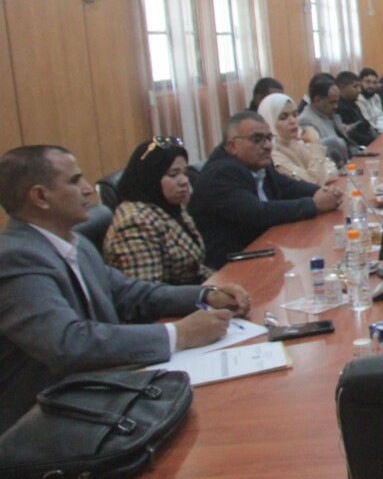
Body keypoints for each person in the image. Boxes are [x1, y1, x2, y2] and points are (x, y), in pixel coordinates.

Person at [0, 145, 250, 433]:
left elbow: (132, 294)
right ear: (40, 197)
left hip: (99, 396)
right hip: (45, 423)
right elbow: (67, 343)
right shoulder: (15, 257)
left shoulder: (73, 243)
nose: (88, 189)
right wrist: (179, 334)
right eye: (75, 180)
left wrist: (205, 295)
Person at [190, 111, 342, 269]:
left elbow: (289, 186)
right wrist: (314, 204)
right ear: (232, 146)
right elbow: (257, 213)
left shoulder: (257, 163)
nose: (267, 146)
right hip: (231, 265)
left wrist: (324, 192)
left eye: (269, 138)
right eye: (257, 139)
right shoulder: (221, 174)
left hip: (264, 250)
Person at [102, 137, 211, 285]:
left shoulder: (167, 204)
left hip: (193, 292)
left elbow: (194, 268)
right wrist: (205, 294)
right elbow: (148, 293)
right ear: (151, 177)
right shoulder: (135, 223)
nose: (184, 181)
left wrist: (221, 285)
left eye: (184, 173)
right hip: (176, 299)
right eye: (173, 175)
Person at [257, 93, 338, 186]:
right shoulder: (272, 155)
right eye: (283, 117)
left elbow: (333, 170)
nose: (293, 121)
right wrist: (315, 144)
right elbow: (313, 183)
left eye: (295, 115)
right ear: (269, 121)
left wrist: (317, 175)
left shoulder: (298, 143)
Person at [299, 74, 356, 164]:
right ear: (317, 100)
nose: (336, 106)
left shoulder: (329, 115)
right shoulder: (306, 120)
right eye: (332, 102)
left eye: (337, 102)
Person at [335, 71, 378, 147]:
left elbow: (366, 125)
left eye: (359, 87)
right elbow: (354, 136)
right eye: (355, 87)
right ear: (342, 88)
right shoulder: (340, 108)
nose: (359, 90)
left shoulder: (353, 104)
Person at [357, 67, 383, 132]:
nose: (371, 86)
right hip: (379, 134)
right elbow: (370, 125)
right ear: (360, 82)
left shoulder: (376, 97)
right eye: (368, 82)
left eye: (374, 83)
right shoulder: (359, 99)